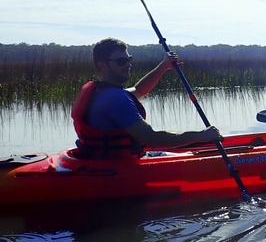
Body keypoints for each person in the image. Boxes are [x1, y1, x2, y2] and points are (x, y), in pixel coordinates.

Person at [72, 37, 221, 159]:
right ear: (102, 65)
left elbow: (139, 89)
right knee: (191, 157)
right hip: (120, 169)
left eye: (128, 59)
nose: (128, 65)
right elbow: (152, 139)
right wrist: (201, 135)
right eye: (121, 61)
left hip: (100, 162)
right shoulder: (116, 99)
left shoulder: (101, 92)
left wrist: (164, 65)